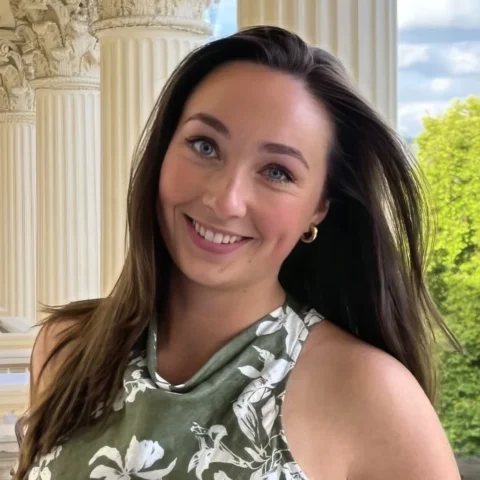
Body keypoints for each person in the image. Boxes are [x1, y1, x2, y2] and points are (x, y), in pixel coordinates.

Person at [16, 26, 461, 479]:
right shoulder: (68, 348)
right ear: (163, 152)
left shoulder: (370, 394)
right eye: (205, 146)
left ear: (318, 209)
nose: (225, 200)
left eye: (277, 172)